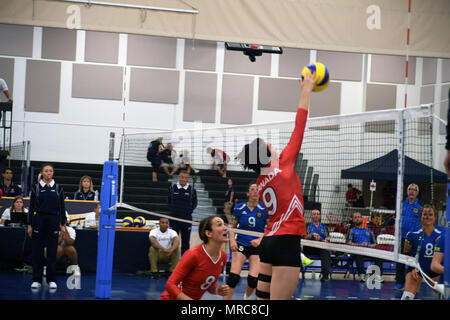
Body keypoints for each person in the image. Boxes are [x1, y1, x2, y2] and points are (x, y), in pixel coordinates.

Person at [235, 71, 317, 300]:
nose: (274, 145)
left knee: (262, 301)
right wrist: (306, 91)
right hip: (286, 241)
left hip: (269, 241)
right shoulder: (285, 165)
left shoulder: (261, 182)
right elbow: (299, 126)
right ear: (268, 154)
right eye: (270, 145)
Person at [160, 215, 230, 300]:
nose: (225, 228)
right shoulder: (193, 254)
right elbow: (170, 284)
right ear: (208, 233)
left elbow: (209, 284)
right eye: (219, 225)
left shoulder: (223, 257)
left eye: (224, 224)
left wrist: (217, 290)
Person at [225, 183, 268, 300]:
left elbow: (270, 229)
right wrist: (232, 240)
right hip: (241, 244)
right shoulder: (239, 207)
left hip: (257, 246)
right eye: (252, 190)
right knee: (233, 277)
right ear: (248, 193)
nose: (255, 192)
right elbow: (232, 227)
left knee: (253, 280)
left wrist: (260, 240)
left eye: (257, 190)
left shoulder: (264, 209)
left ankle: (246, 298)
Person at [27, 164, 67, 290]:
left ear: (53, 173)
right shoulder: (36, 187)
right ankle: (37, 279)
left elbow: (62, 207)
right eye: (46, 170)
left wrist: (63, 224)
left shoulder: (59, 188)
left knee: (52, 251)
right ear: (42, 173)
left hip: (53, 220)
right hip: (39, 220)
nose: (48, 172)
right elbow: (31, 207)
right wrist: (30, 224)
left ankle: (51, 279)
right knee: (37, 250)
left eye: (50, 171)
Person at [401, 205, 443, 300]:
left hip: (437, 270)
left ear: (435, 217)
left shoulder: (442, 233)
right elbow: (406, 254)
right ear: (420, 216)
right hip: (418, 269)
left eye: (430, 214)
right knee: (407, 297)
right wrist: (412, 268)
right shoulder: (412, 233)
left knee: (445, 293)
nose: (427, 217)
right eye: (424, 214)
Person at [394, 183, 422, 291]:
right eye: (410, 189)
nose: (412, 191)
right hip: (401, 238)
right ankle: (399, 282)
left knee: (412, 262)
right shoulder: (401, 205)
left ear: (417, 193)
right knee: (400, 261)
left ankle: (410, 283)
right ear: (407, 191)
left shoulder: (420, 207)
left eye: (414, 190)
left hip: (413, 239)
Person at [346, 211, 384, 282]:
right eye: (355, 217)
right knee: (358, 254)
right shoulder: (351, 231)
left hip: (368, 250)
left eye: (359, 217)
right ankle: (362, 275)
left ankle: (376, 275)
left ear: (362, 219)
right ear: (353, 220)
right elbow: (349, 243)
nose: (357, 219)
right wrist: (359, 245)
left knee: (379, 255)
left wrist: (370, 245)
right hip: (357, 250)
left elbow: (375, 243)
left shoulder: (369, 231)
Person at [168, 170, 197, 256]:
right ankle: (172, 262)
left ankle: (185, 262)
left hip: (186, 220)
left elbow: (194, 203)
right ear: (178, 177)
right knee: (173, 241)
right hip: (174, 219)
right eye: (181, 177)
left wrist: (187, 212)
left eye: (185, 177)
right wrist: (173, 210)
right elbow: (168, 201)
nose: (183, 179)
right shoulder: (172, 188)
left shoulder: (192, 190)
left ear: (188, 179)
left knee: (185, 242)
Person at [303, 208, 332, 281]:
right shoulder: (307, 225)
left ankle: (325, 275)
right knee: (313, 239)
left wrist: (326, 240)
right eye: (314, 214)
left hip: (320, 248)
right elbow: (304, 237)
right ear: (311, 216)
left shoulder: (325, 227)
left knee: (325, 252)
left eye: (318, 214)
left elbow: (327, 238)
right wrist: (312, 235)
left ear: (320, 216)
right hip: (309, 247)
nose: (316, 215)